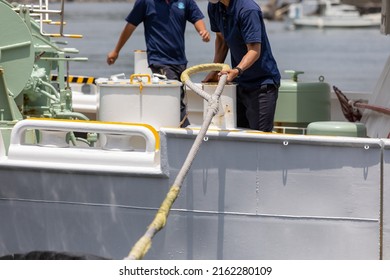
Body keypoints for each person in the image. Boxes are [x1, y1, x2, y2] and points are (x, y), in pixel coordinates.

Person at [107, 0, 210, 127]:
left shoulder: (185, 1)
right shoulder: (145, 2)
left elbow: (196, 18)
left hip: (180, 62)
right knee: (175, 102)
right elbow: (130, 26)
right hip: (159, 61)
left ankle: (172, 131)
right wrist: (116, 50)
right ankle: (184, 133)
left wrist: (203, 31)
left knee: (178, 98)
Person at [203, 0, 280, 132]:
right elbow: (222, 40)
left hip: (262, 84)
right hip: (239, 84)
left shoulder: (248, 9)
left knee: (259, 140)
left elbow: (254, 51)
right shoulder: (214, 6)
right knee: (237, 135)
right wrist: (215, 70)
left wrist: (237, 70)